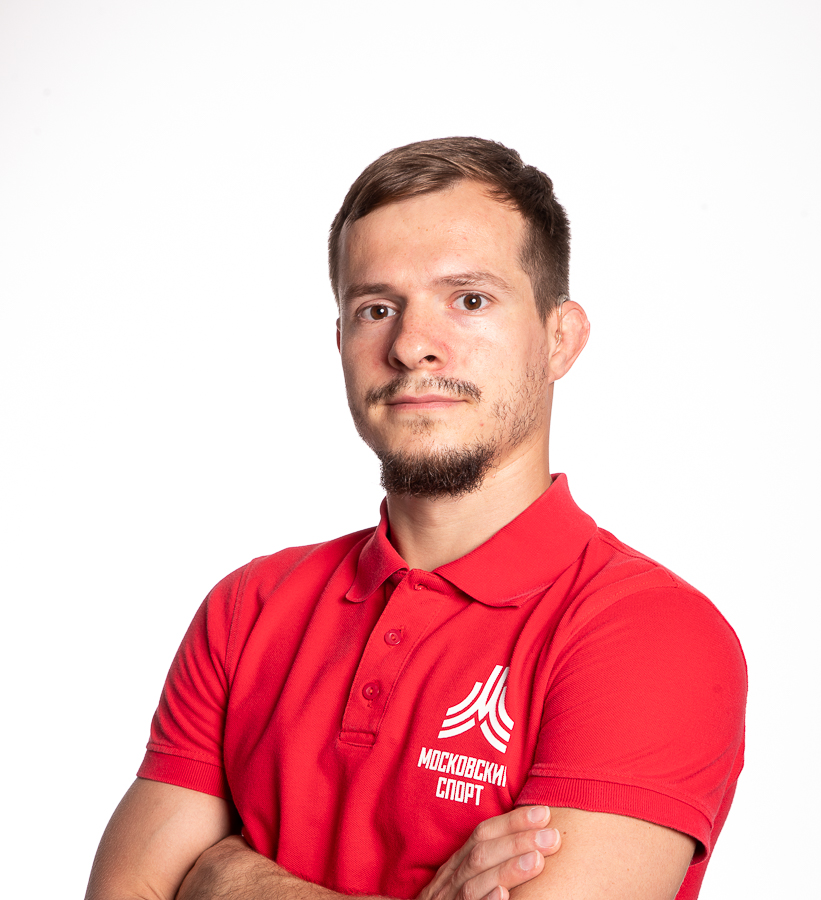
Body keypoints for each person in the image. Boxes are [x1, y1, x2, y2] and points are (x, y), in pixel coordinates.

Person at [85, 137, 746, 900]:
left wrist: (227, 882)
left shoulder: (648, 633)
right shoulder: (248, 608)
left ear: (559, 339)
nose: (411, 346)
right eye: (376, 309)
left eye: (469, 300)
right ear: (341, 340)